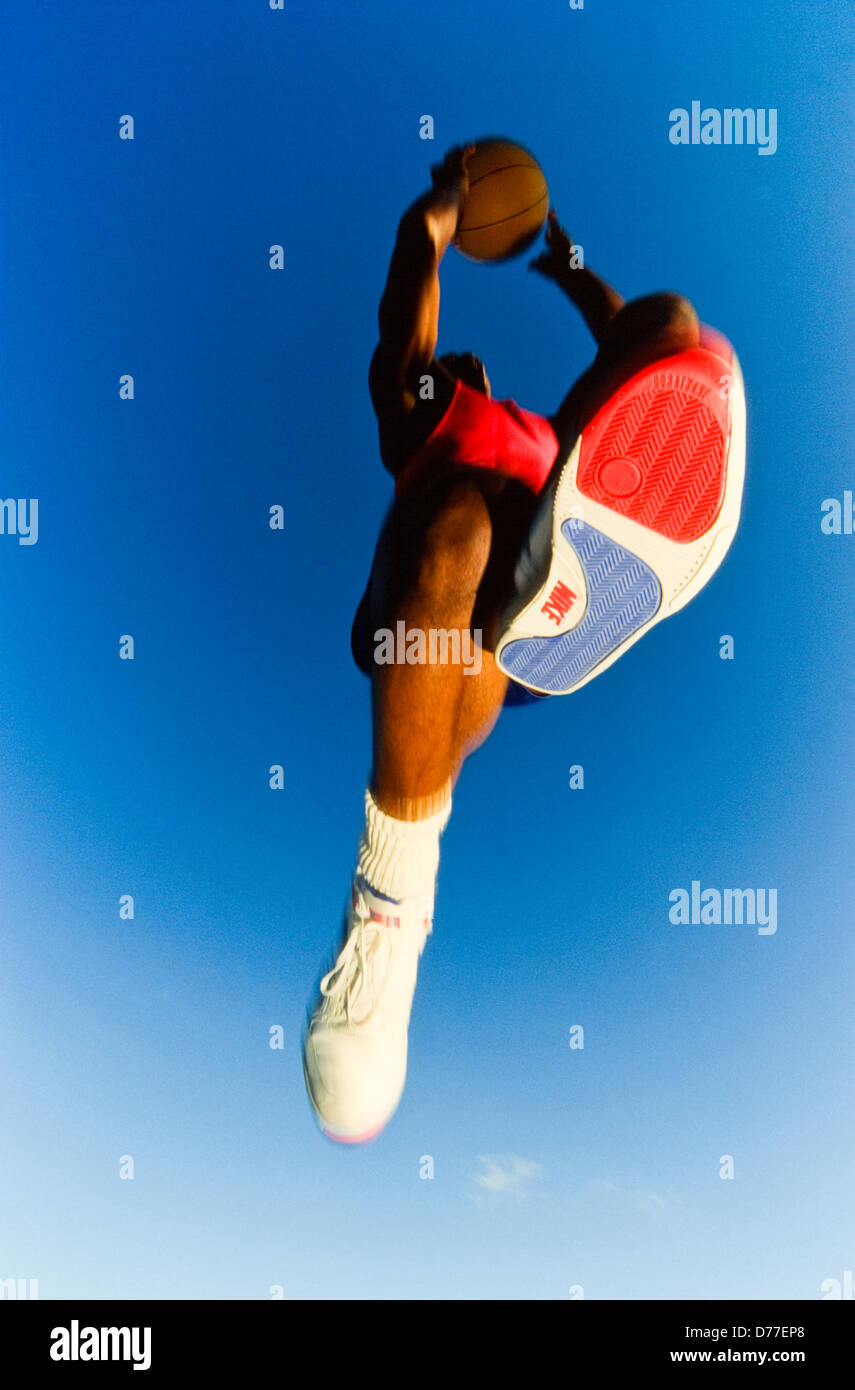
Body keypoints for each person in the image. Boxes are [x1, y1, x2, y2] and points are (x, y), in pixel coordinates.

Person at [301, 145, 744, 1142]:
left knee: (669, 326)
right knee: (459, 517)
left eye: (470, 362)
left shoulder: (550, 440)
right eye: (450, 362)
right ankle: (391, 903)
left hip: (532, 589)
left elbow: (635, 344)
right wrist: (448, 203)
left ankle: (609, 559)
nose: (463, 363)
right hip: (426, 616)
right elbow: (417, 251)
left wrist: (574, 267)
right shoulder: (418, 407)